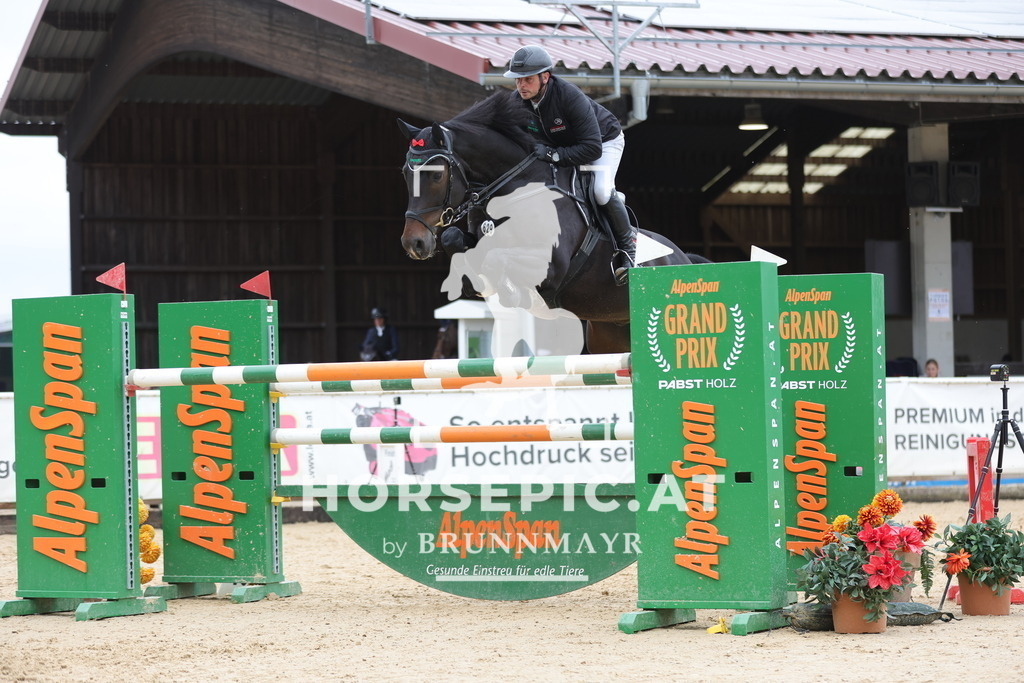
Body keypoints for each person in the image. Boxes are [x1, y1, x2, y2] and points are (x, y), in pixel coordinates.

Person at [503, 45, 635, 285]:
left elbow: (591, 148)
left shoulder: (568, 96)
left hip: (604, 142)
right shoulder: (517, 102)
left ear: (545, 77)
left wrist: (553, 155)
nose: (521, 86)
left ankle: (627, 251)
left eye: (528, 79)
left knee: (601, 191)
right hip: (564, 146)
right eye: (518, 80)